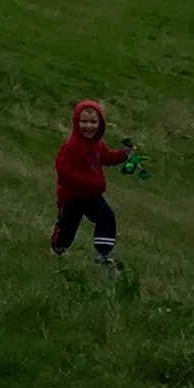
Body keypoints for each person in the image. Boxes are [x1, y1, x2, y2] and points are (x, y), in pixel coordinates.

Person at [51, 98, 132, 265]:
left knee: (107, 217)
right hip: (72, 196)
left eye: (93, 122)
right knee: (68, 228)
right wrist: (82, 181)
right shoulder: (72, 146)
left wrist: (124, 154)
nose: (89, 126)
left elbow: (107, 157)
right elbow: (62, 167)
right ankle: (57, 251)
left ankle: (103, 254)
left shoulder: (97, 145)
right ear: (76, 122)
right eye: (84, 121)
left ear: (100, 124)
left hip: (92, 195)